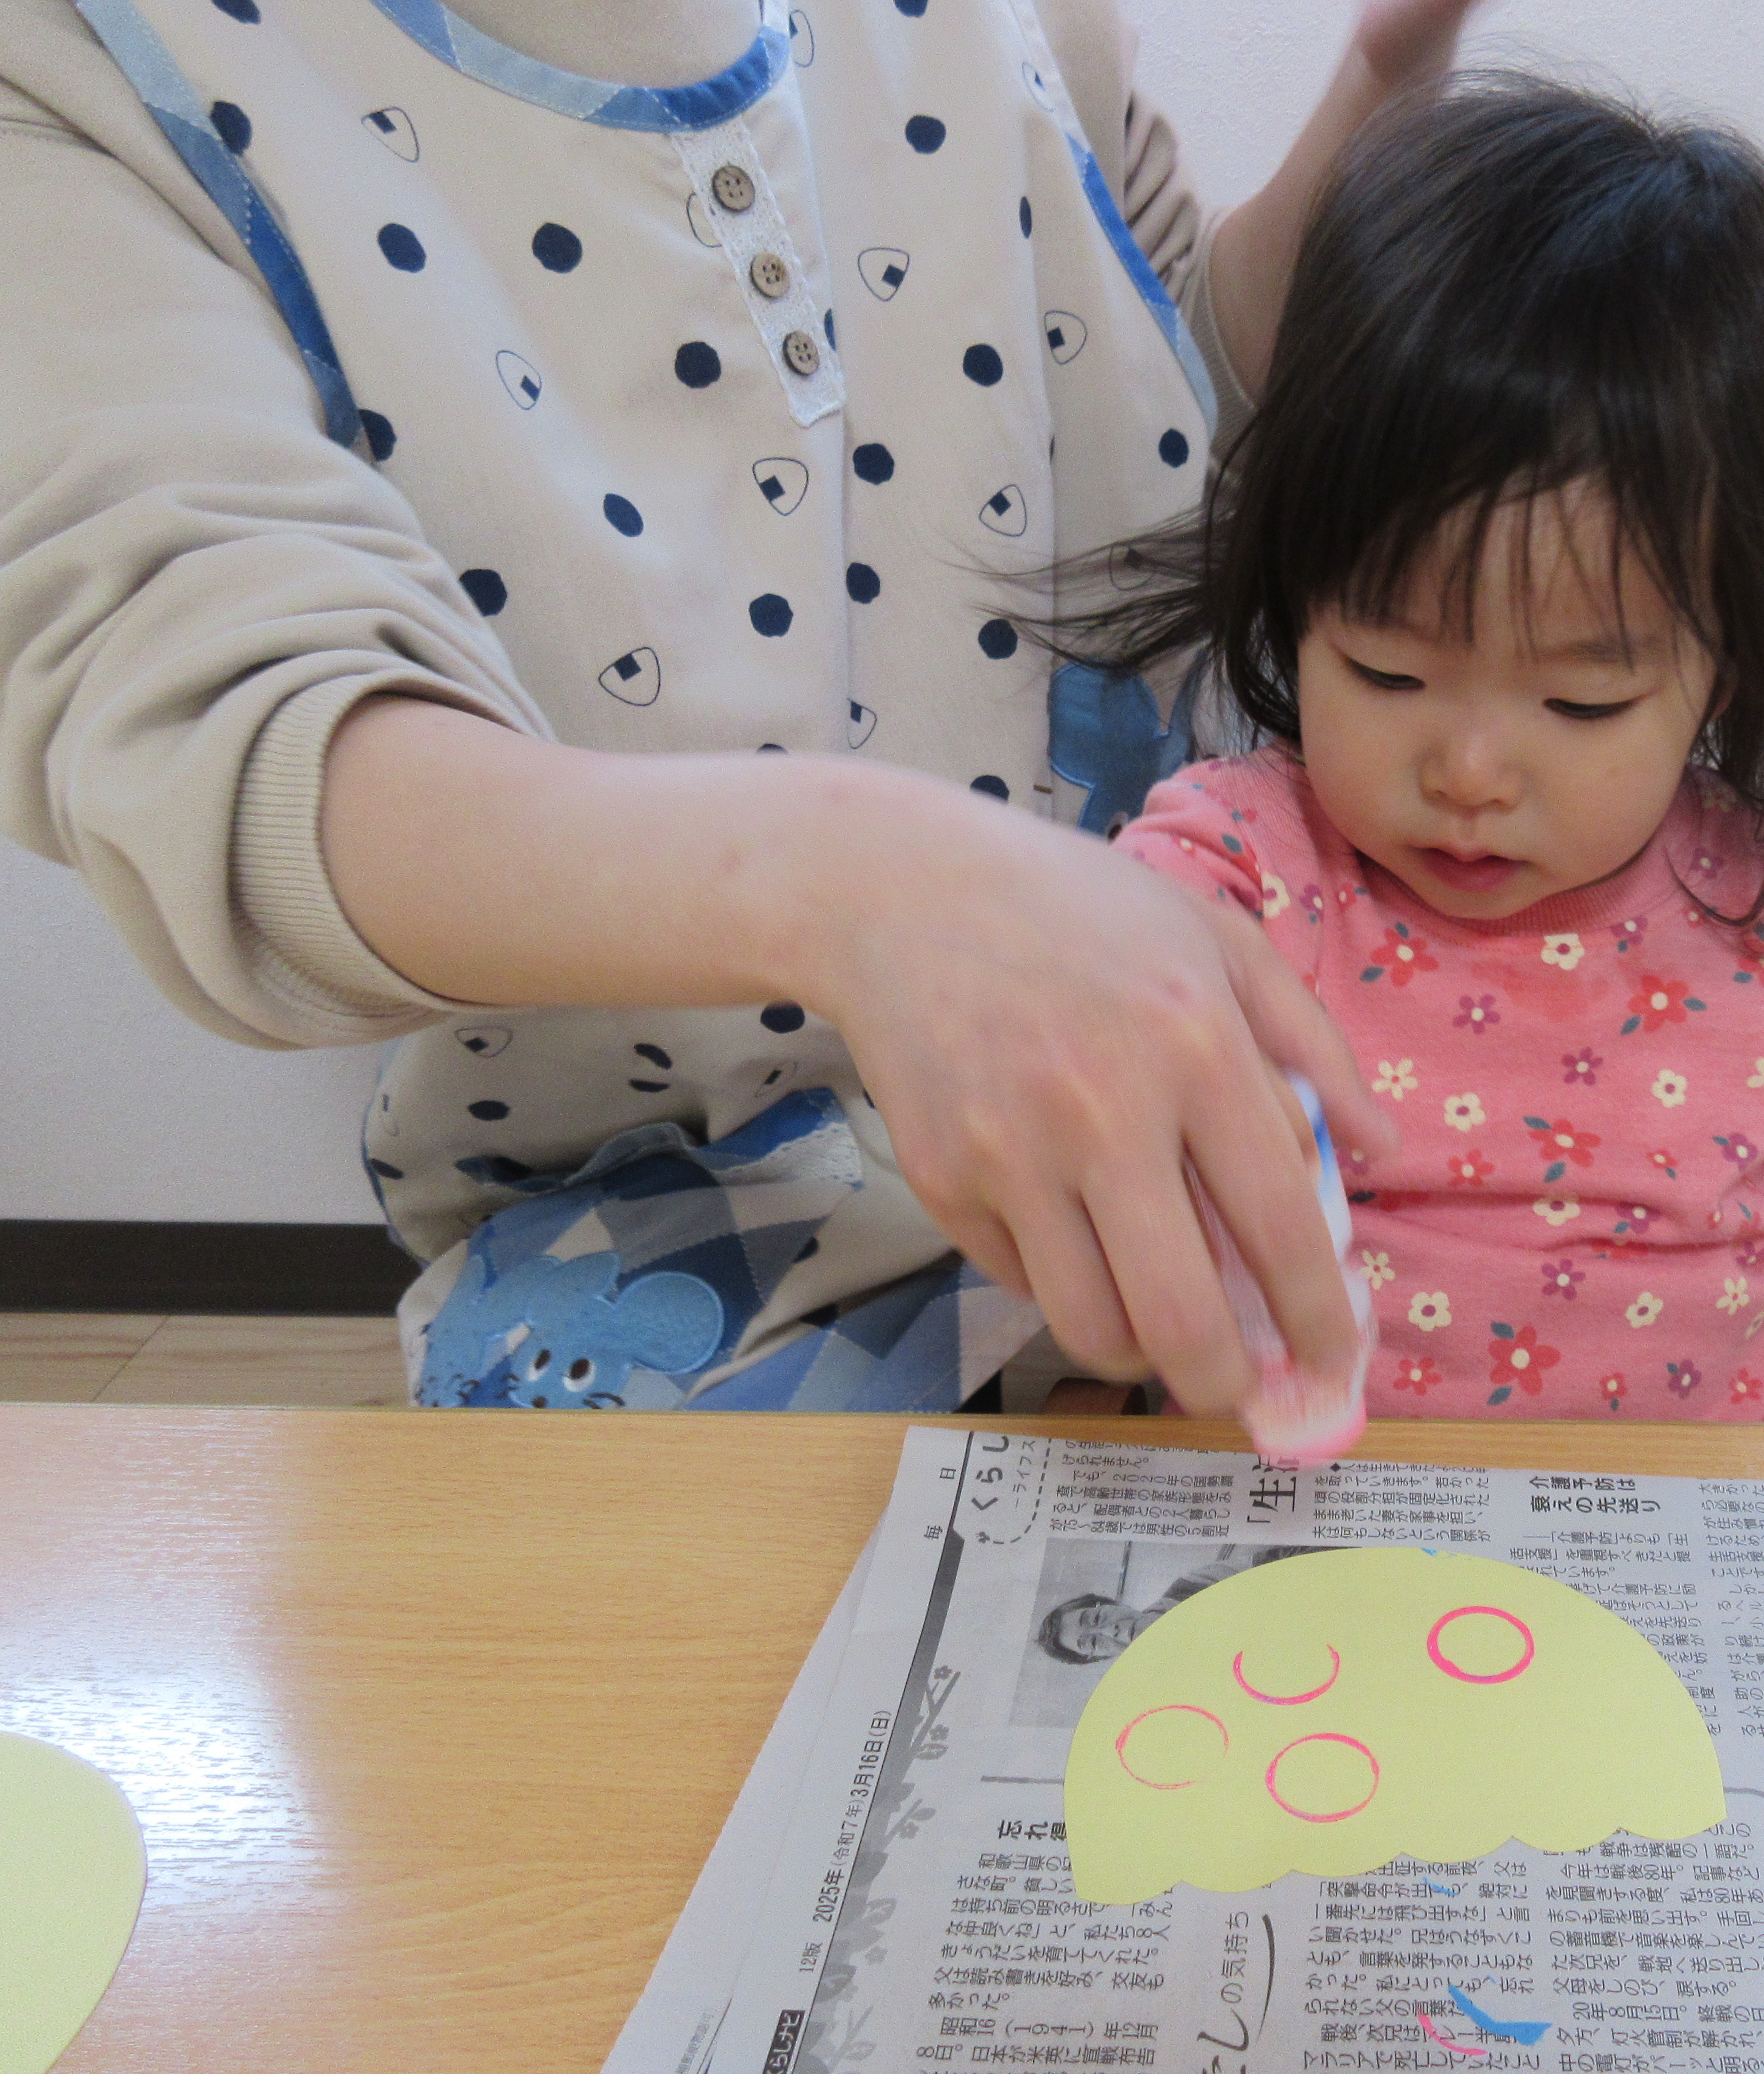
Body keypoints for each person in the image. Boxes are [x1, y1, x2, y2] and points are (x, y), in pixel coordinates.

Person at [0, 0, 1484, 1413]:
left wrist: (1384, 79)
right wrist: (869, 881)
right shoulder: (100, 64)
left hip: (1218, 1096)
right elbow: (239, 750)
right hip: (697, 1215)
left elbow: (1170, 392)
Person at [1090, 77, 1764, 1423]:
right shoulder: (1243, 868)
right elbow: (1092, 993)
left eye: (1580, 703)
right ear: (1296, 598)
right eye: (1389, 674)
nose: (1471, 774)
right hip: (1294, 1511)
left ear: (1725, 661)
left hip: (1679, 1514)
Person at [1033, 1544, 1322, 1663]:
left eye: (1097, 1619)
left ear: (1109, 1603)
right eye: (1094, 1643)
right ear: (1099, 1658)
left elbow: (1279, 1559)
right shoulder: (1167, 1686)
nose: (1111, 1630)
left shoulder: (1190, 1586)